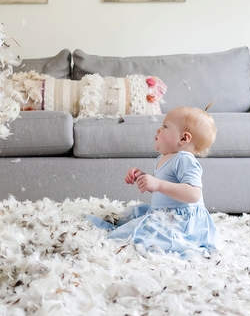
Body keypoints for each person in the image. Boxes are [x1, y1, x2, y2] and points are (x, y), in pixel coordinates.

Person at [88, 106, 218, 255]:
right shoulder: (164, 158)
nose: (158, 129)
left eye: (165, 126)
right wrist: (142, 177)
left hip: (180, 221)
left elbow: (193, 194)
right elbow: (164, 188)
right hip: (163, 213)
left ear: (183, 138)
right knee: (128, 225)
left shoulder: (184, 159)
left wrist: (158, 184)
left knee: (138, 236)